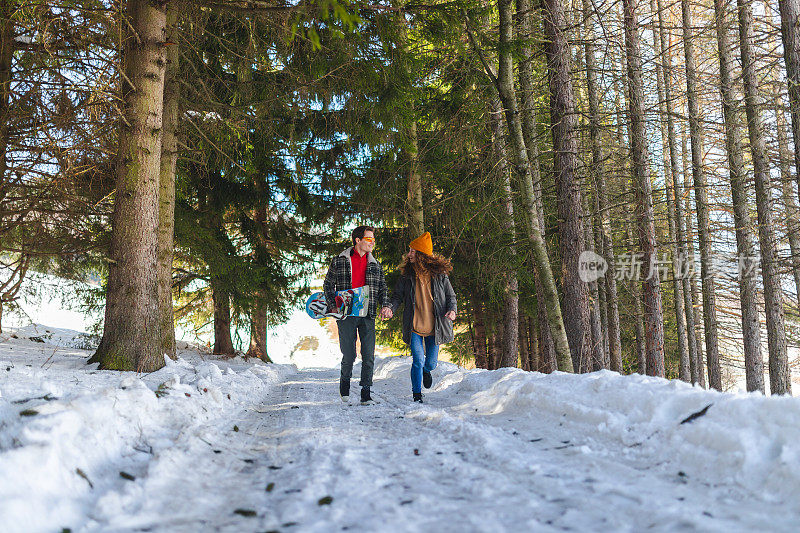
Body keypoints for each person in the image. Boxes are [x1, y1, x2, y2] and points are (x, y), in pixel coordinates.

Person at [380, 232, 456, 403]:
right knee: (417, 360)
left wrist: (452, 310)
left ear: (422, 255)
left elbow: (451, 297)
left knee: (430, 364)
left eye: (413, 251)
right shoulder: (407, 276)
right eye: (410, 251)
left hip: (434, 327)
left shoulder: (440, 276)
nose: (409, 254)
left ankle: (426, 371)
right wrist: (390, 308)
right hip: (414, 326)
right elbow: (397, 296)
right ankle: (416, 394)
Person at [323, 226, 388, 404]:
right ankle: (345, 381)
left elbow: (382, 288)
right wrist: (332, 305)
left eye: (373, 239)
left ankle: (365, 392)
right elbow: (328, 284)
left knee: (368, 355)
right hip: (346, 314)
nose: (372, 242)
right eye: (369, 239)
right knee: (349, 354)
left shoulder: (375, 264)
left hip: (368, 313)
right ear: (358, 240)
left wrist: (386, 306)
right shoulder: (340, 261)